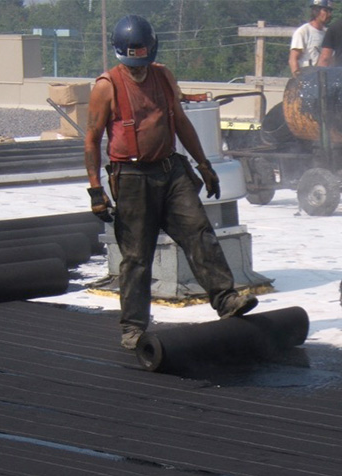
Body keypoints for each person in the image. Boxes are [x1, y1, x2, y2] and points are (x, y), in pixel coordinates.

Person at [85, 15, 257, 350]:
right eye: (131, 63)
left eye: (142, 62)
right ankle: (133, 328)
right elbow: (91, 140)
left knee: (199, 233)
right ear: (121, 55)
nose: (137, 70)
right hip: (131, 178)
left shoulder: (163, 76)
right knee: (136, 257)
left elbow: (180, 122)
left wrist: (204, 164)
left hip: (171, 171)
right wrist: (95, 191)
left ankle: (226, 300)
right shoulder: (107, 86)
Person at [289, 0, 334, 76]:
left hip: (323, 78)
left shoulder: (327, 33)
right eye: (325, 10)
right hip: (306, 77)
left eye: (330, 11)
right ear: (316, 11)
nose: (329, 14)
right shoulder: (303, 32)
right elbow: (293, 59)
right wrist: (298, 80)